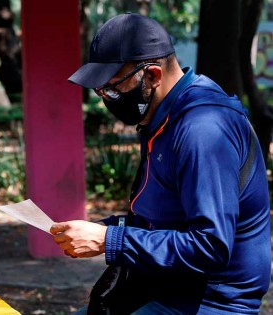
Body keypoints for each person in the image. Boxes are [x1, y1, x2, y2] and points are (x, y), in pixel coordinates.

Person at [50, 13, 271, 315]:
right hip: (161, 287)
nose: (106, 97)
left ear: (153, 75)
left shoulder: (202, 128)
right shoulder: (162, 118)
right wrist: (106, 229)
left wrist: (110, 240)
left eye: (113, 87)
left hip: (209, 302)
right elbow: (164, 219)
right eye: (100, 90)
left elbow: (210, 247)